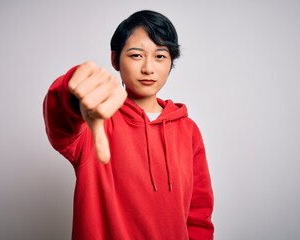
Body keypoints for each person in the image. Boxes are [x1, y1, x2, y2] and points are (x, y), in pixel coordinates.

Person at [43, 10, 214, 240]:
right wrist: (74, 91)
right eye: (136, 55)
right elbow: (60, 117)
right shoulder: (94, 120)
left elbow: (198, 216)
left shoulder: (189, 131)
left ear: (171, 62)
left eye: (160, 56)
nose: (148, 68)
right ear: (115, 59)